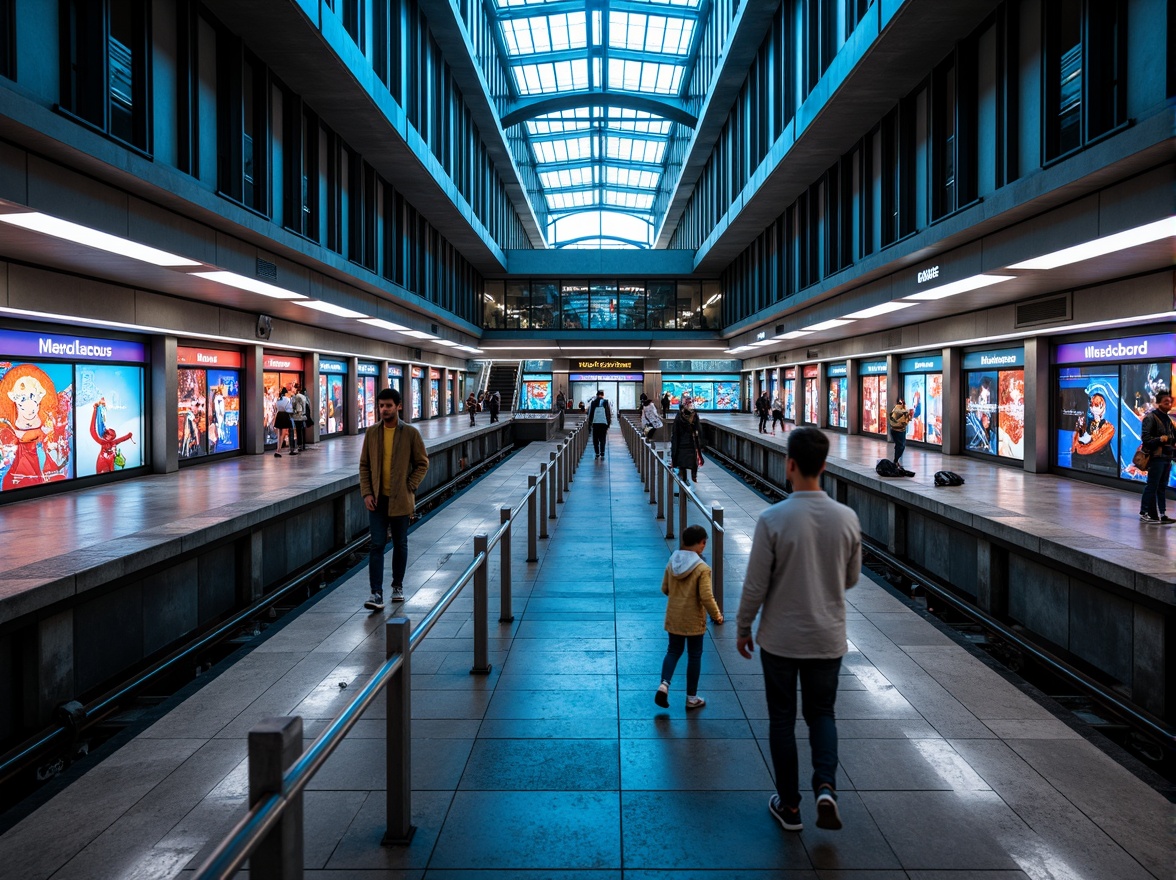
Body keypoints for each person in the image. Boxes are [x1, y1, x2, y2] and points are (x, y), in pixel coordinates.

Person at [736, 427, 861, 834]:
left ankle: (789, 806)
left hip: (780, 640)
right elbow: (851, 578)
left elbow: (755, 584)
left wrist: (742, 626)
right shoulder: (847, 518)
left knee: (782, 720)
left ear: (789, 464)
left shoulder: (773, 518)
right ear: (823, 466)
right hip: (827, 637)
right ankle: (826, 787)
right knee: (822, 714)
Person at [358, 388, 429, 610]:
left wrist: (410, 486)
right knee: (377, 544)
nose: (384, 409)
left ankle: (397, 586)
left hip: (400, 499)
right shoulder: (372, 433)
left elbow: (422, 463)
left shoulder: (410, 433)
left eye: (388, 405)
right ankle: (376, 593)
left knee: (400, 543)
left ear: (398, 406)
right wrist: (367, 492)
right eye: (381, 406)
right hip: (377, 500)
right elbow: (364, 465)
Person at [655, 524, 724, 711]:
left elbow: (665, 588)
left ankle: (664, 684)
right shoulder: (702, 568)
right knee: (694, 656)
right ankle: (691, 698)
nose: (704, 546)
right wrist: (717, 615)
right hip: (693, 620)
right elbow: (706, 597)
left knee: (673, 651)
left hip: (674, 617)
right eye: (704, 543)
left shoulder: (672, 561)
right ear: (700, 544)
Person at [1139, 389, 1174, 525]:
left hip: (1166, 457)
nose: (1169, 404)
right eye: (1166, 402)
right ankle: (1144, 512)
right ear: (1158, 403)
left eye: (1170, 402)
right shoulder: (1151, 418)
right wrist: (1160, 439)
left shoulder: (1169, 421)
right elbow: (1146, 439)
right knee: (1152, 485)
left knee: (1161, 487)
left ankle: (1162, 514)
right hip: (1156, 457)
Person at [671, 394, 703, 487]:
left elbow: (675, 433)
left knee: (683, 466)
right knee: (692, 464)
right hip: (691, 444)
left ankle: (684, 485)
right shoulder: (694, 416)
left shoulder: (679, 416)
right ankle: (691, 481)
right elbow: (699, 431)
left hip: (682, 445)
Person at [587, 388, 612, 458]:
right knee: (602, 438)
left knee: (595, 438)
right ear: (603, 395)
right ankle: (602, 452)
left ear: (597, 395)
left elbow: (591, 414)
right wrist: (608, 423)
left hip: (595, 423)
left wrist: (589, 423)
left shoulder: (593, 402)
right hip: (604, 423)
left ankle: (597, 453)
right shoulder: (606, 402)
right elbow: (608, 413)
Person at [888, 397, 912, 467]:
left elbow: (906, 419)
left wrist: (910, 415)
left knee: (900, 445)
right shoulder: (897, 408)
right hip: (898, 430)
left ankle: (896, 460)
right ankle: (895, 460)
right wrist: (908, 413)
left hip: (900, 430)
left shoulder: (903, 408)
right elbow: (899, 413)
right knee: (901, 446)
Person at [274, 388, 295, 457]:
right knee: (283, 434)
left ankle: (278, 448)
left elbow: (276, 407)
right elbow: (290, 409)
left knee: (279, 433)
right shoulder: (287, 399)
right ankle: (279, 450)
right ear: (286, 393)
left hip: (279, 415)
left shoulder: (278, 399)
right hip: (285, 415)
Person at [293, 384, 310, 451]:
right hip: (303, 415)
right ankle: (303, 444)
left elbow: (295, 406)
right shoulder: (305, 397)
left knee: (298, 430)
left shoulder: (297, 397)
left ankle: (299, 444)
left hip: (298, 416)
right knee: (302, 430)